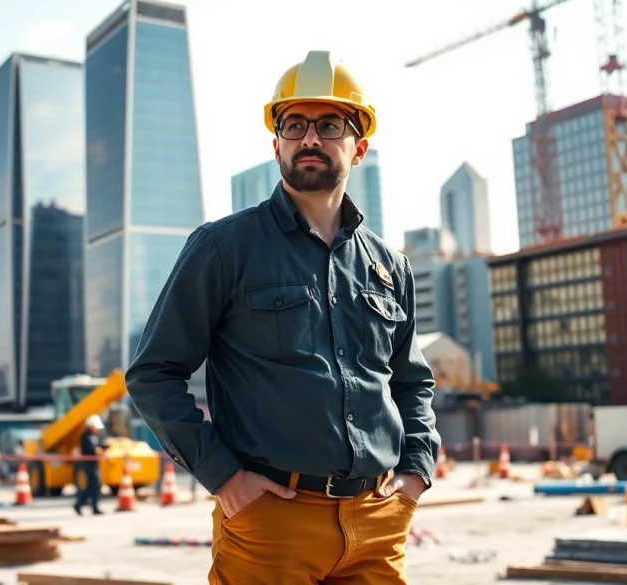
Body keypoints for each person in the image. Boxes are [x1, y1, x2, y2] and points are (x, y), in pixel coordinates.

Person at [125, 50, 440, 584]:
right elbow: (153, 374)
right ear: (277, 145)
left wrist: (416, 471)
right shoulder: (223, 248)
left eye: (328, 124)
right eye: (293, 125)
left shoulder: (391, 267)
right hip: (272, 522)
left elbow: (412, 382)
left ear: (359, 147)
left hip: (377, 523)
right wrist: (223, 477)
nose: (309, 138)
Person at [73, 413, 106, 516]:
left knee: (92, 486)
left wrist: (106, 446)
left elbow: (98, 447)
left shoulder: (93, 437)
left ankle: (81, 505)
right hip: (89, 464)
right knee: (94, 485)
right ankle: (90, 506)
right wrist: (99, 450)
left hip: (94, 463)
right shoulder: (86, 437)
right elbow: (92, 450)